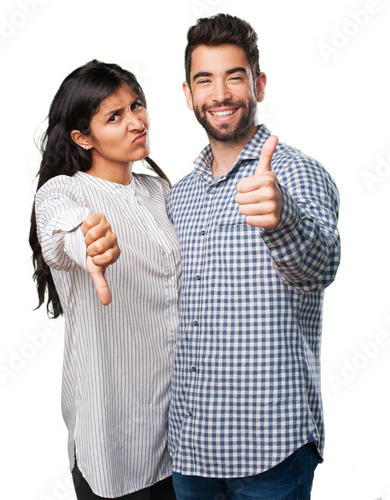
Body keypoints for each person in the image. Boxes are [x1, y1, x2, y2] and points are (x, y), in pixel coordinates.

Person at [167, 14, 340, 500]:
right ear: (188, 94)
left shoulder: (297, 173)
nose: (220, 93)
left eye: (234, 76)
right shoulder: (179, 196)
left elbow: (321, 265)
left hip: (271, 454)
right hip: (189, 450)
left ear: (258, 84)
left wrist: (282, 214)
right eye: (205, 79)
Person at [29, 60, 180, 500]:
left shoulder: (161, 192)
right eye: (114, 116)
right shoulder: (63, 192)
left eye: (136, 105)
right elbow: (64, 231)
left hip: (183, 434)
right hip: (113, 444)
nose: (136, 121)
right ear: (82, 137)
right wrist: (89, 245)